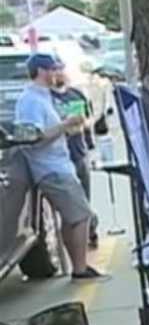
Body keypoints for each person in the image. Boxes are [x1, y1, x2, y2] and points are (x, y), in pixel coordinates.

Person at [13, 53, 107, 281]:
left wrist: (67, 129)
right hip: (51, 168)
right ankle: (80, 268)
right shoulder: (31, 101)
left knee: (71, 217)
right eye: (54, 69)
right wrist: (64, 126)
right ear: (42, 71)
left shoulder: (43, 97)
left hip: (58, 163)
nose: (58, 74)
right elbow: (32, 137)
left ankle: (78, 265)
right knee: (82, 215)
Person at [50, 68, 100, 248]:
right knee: (71, 203)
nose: (60, 74)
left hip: (80, 152)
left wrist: (85, 126)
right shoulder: (48, 99)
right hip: (61, 157)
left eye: (62, 69)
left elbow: (90, 118)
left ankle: (91, 230)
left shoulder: (76, 94)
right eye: (56, 70)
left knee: (85, 197)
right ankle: (75, 238)